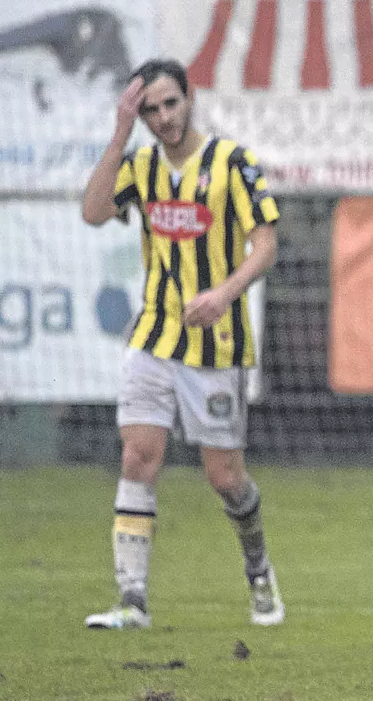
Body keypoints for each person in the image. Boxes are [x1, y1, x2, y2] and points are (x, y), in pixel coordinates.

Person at [79, 59, 283, 629]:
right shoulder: (139, 166)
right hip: (153, 335)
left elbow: (266, 244)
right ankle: (132, 601)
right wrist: (119, 134)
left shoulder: (232, 163)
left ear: (190, 98)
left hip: (217, 343)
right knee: (137, 456)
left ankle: (259, 570)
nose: (164, 117)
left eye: (171, 103)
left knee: (225, 478)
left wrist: (224, 293)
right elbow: (93, 212)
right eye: (150, 110)